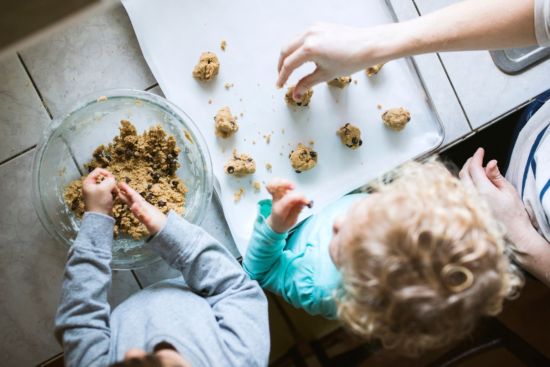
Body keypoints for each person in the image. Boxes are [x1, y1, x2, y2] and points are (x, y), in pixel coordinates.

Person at [276, 0, 550, 287]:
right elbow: (541, 14)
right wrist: (371, 45)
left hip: (519, 225)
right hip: (535, 130)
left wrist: (522, 240)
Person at [243, 158, 523, 355]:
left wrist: (275, 227)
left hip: (279, 232)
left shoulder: (319, 288)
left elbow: (260, 272)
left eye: (340, 242)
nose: (337, 222)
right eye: (362, 210)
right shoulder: (400, 219)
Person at [55, 168, 269, 367]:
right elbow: (233, 286)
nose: (129, 353)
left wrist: (97, 218)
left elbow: (81, 318)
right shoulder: (244, 356)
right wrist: (166, 231)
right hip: (197, 292)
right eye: (149, 355)